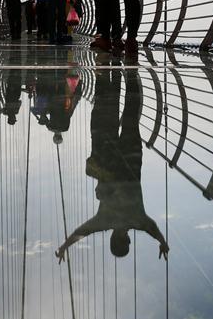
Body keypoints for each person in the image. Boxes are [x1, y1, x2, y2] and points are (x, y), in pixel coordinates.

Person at [55, 68, 169, 261]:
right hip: (112, 158)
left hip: (132, 158)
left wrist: (162, 242)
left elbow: (153, 229)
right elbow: (82, 231)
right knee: (115, 111)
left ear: (126, 241)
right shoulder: (104, 221)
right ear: (112, 239)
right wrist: (64, 246)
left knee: (131, 111)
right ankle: (116, 69)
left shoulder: (137, 220)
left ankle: (131, 72)